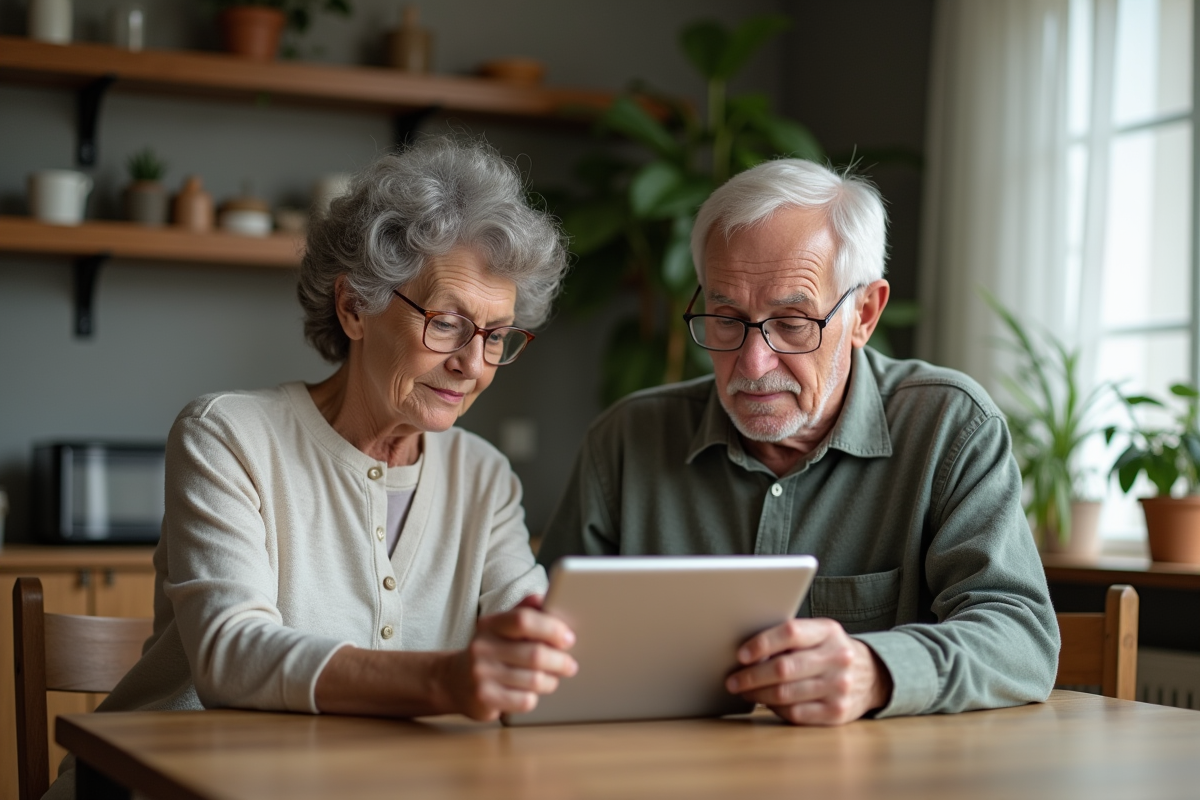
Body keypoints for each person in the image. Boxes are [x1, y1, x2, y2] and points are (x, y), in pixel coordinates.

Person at [46, 137, 577, 798]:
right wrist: (444, 681)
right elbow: (231, 655)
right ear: (355, 307)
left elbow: (532, 630)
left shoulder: (484, 478)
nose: (473, 363)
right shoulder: (230, 436)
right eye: (446, 323)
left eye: (495, 336)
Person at [537, 158, 1060, 726]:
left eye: (792, 322)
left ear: (864, 313)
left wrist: (876, 670)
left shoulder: (950, 428)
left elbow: (1020, 634)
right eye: (726, 318)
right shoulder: (624, 442)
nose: (754, 363)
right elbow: (543, 644)